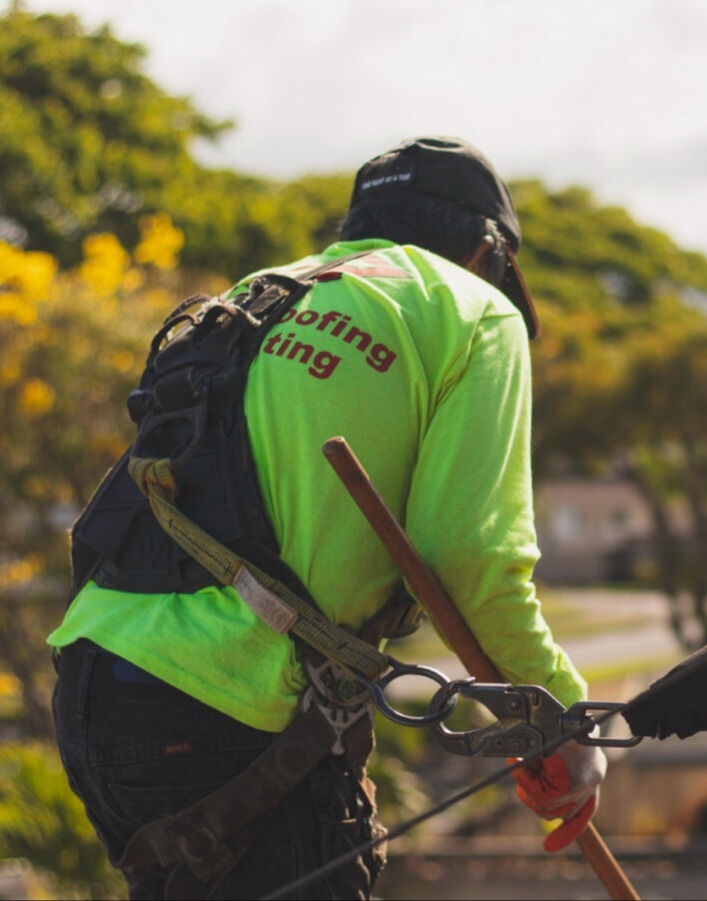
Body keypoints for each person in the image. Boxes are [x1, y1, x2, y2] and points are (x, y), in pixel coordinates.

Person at [48, 136, 606, 900]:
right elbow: (471, 557)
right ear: (485, 251)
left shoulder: (260, 292)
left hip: (97, 690)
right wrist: (559, 718)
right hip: (235, 717)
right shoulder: (469, 308)